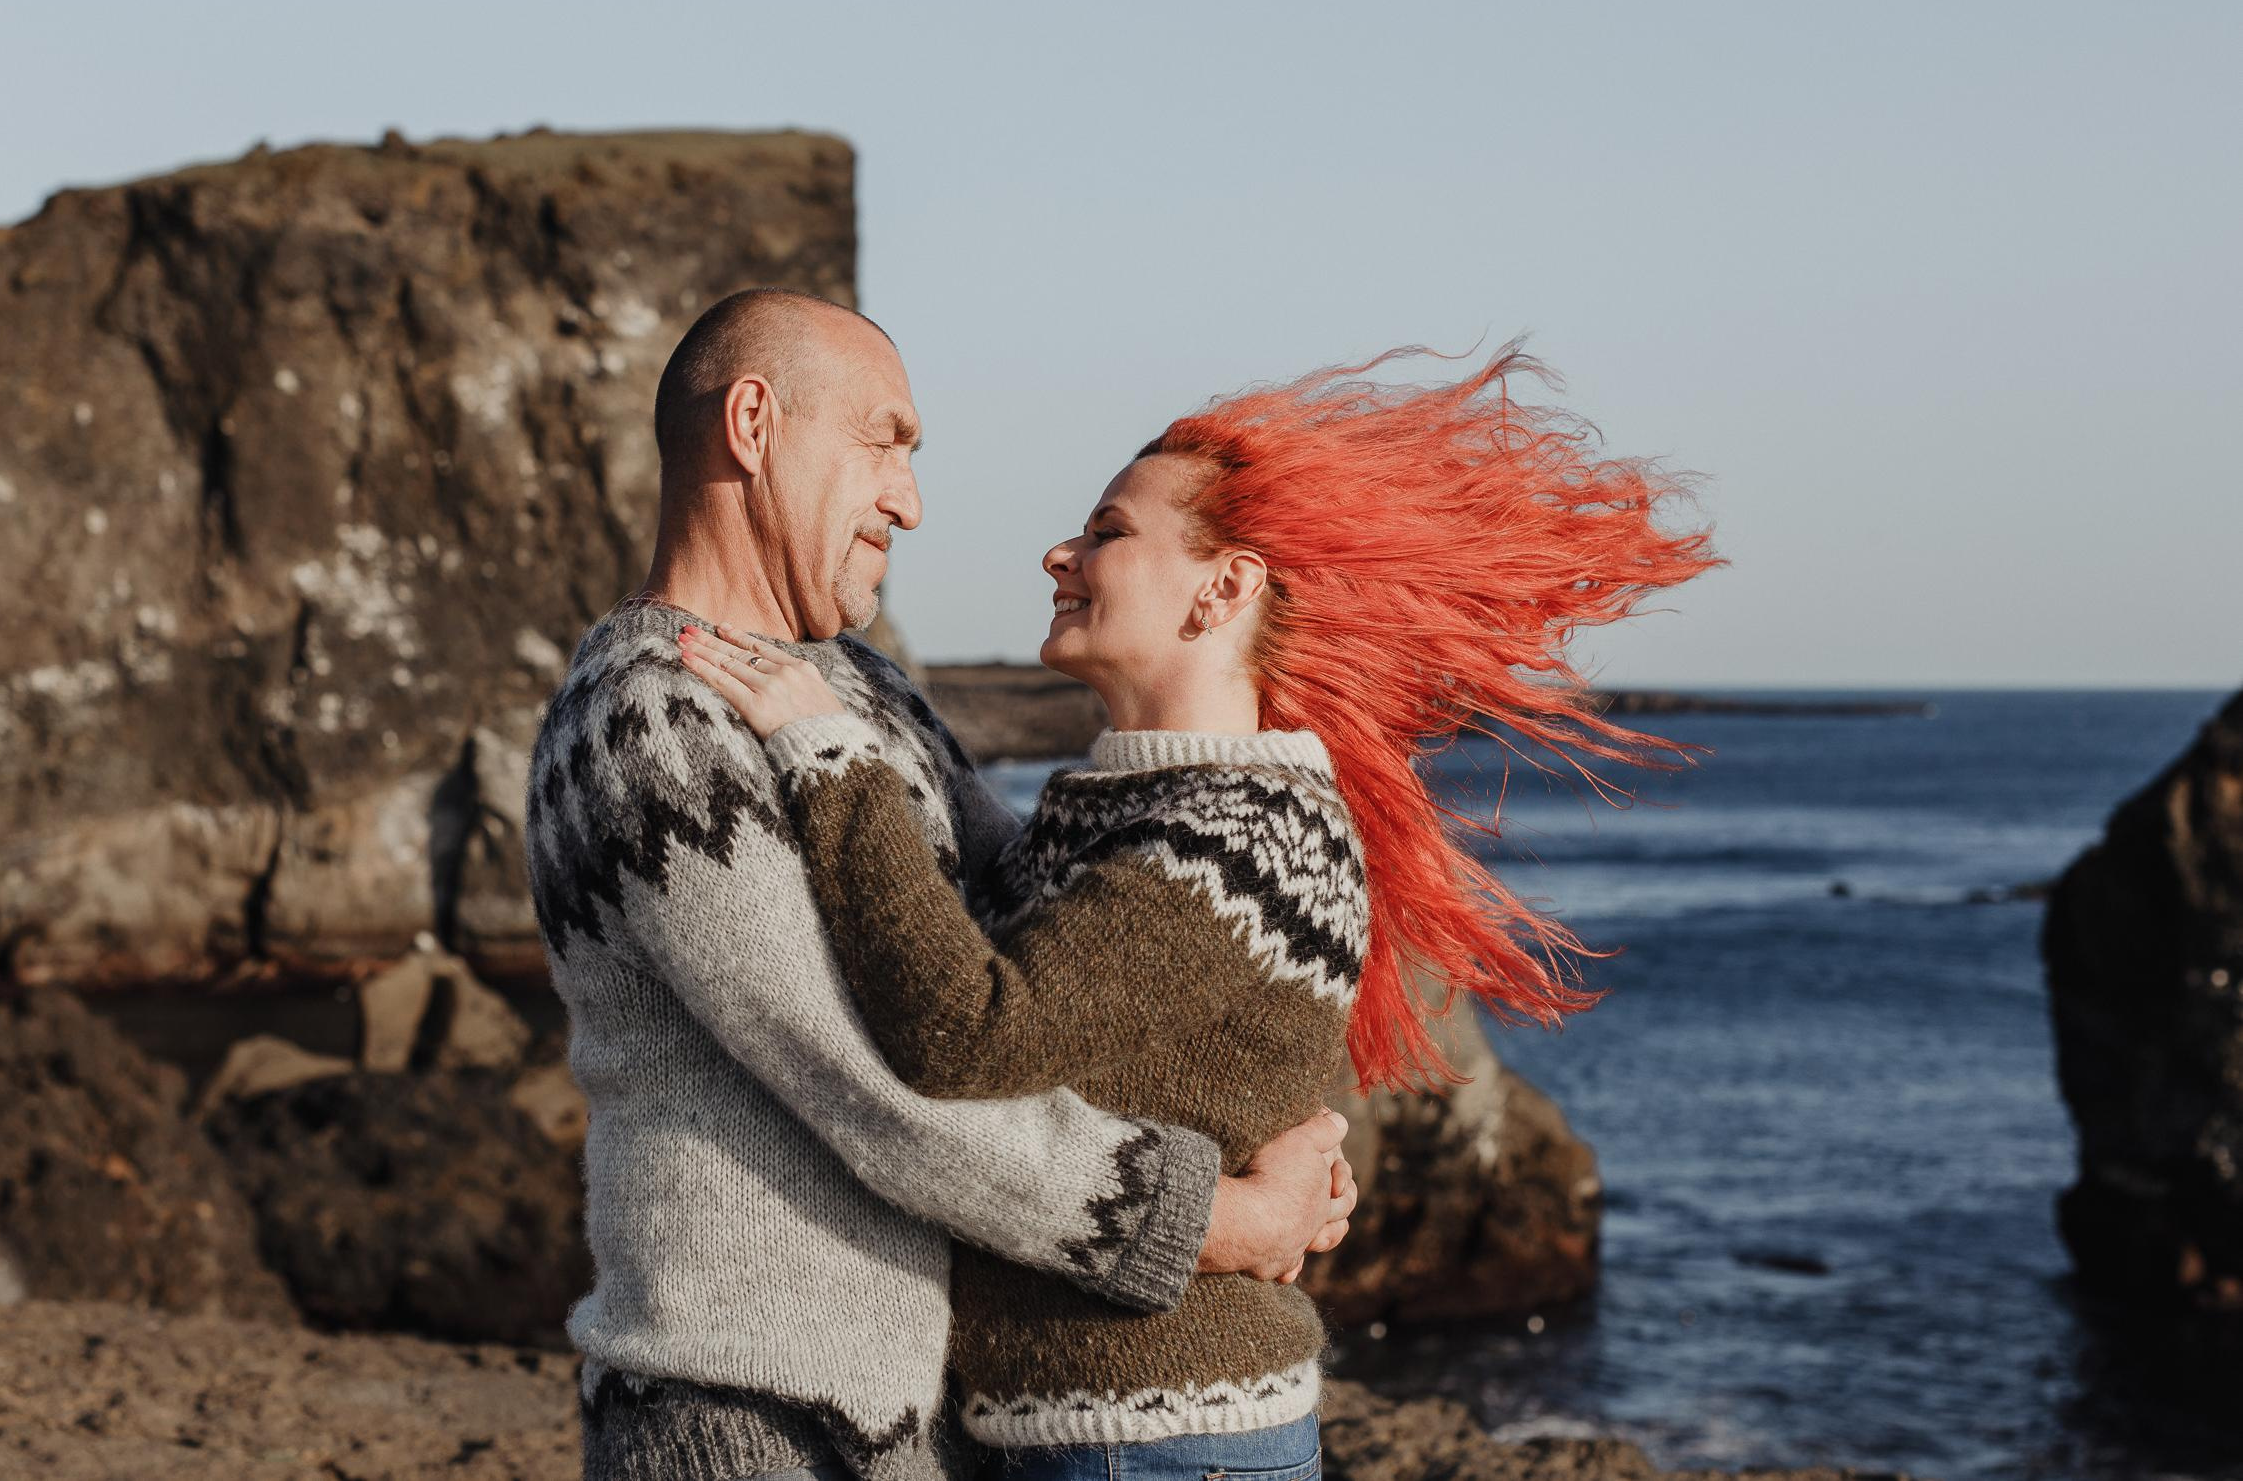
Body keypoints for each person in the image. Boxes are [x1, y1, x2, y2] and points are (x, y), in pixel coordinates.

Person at [679, 340, 1725, 1479]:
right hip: (1108, 1424)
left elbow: (969, 1034)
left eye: (1108, 533)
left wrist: (825, 755)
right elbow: (999, 950)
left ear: (1224, 587)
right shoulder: (1153, 801)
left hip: (1154, 1434)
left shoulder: (1233, 836)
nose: (1059, 552)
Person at [523, 289, 1359, 1481]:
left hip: (928, 1421)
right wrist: (1223, 1219)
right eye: (885, 441)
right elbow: (877, 1088)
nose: (909, 502)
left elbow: (1046, 941)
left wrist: (1271, 1110)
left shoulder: (863, 691)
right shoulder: (647, 719)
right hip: (745, 1418)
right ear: (753, 423)